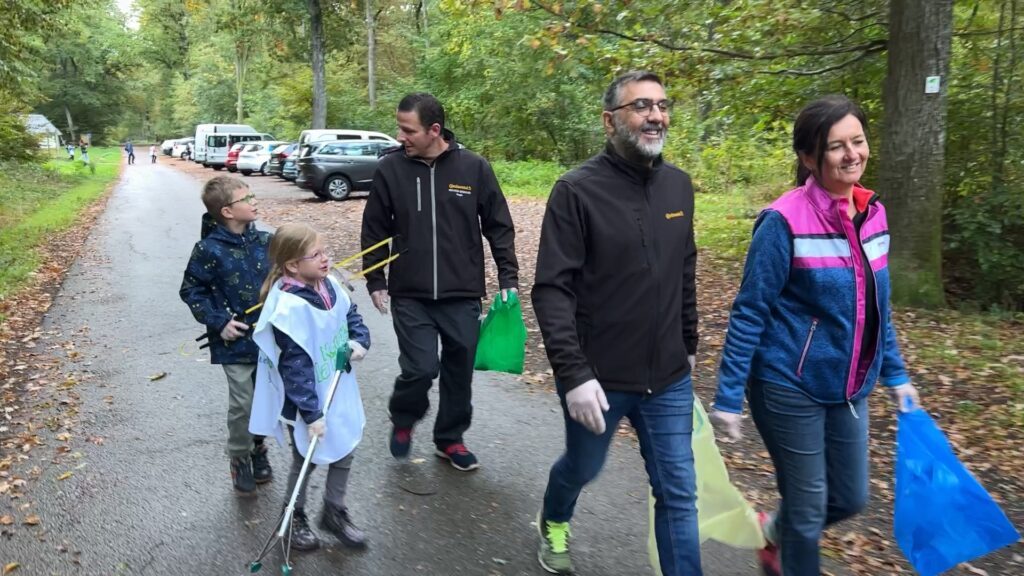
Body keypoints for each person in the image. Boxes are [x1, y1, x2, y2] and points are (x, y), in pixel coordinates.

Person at [708, 95, 921, 576]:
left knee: (849, 498)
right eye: (836, 146)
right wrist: (728, 396)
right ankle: (789, 548)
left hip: (849, 386)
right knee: (807, 510)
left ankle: (771, 532)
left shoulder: (874, 213)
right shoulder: (782, 222)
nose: (852, 154)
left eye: (858, 141)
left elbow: (876, 308)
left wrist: (897, 375)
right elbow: (750, 311)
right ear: (809, 157)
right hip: (788, 383)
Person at [531, 71, 701, 576]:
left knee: (678, 492)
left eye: (662, 105)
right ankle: (554, 518)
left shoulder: (679, 186)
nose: (656, 115)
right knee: (584, 467)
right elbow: (552, 289)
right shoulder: (576, 191)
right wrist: (574, 375)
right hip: (598, 378)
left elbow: (684, 268)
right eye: (641, 106)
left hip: (669, 376)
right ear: (610, 121)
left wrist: (688, 340)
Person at [360, 92, 519, 472]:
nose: (400, 137)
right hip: (410, 292)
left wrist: (507, 277)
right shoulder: (390, 170)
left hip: (461, 291)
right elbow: (374, 228)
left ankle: (450, 439)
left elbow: (499, 226)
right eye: (399, 128)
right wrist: (375, 279)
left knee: (458, 370)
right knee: (420, 368)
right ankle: (404, 417)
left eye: (407, 129)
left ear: (434, 130)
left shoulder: (474, 168)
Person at [249, 223, 370, 551]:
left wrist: (359, 340)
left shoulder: (329, 284)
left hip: (337, 385)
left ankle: (334, 510)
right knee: (307, 456)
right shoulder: (289, 308)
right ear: (292, 265)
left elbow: (351, 315)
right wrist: (311, 413)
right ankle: (293, 516)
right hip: (307, 398)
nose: (325, 259)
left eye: (325, 251)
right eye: (315, 254)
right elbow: (295, 368)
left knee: (345, 446)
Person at [179, 176, 274, 496]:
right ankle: (239, 457)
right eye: (247, 198)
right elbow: (191, 290)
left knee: (266, 398)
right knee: (243, 402)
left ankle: (258, 447)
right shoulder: (208, 250)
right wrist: (219, 322)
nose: (254, 200)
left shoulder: (266, 241)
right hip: (234, 342)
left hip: (269, 338)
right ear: (227, 211)